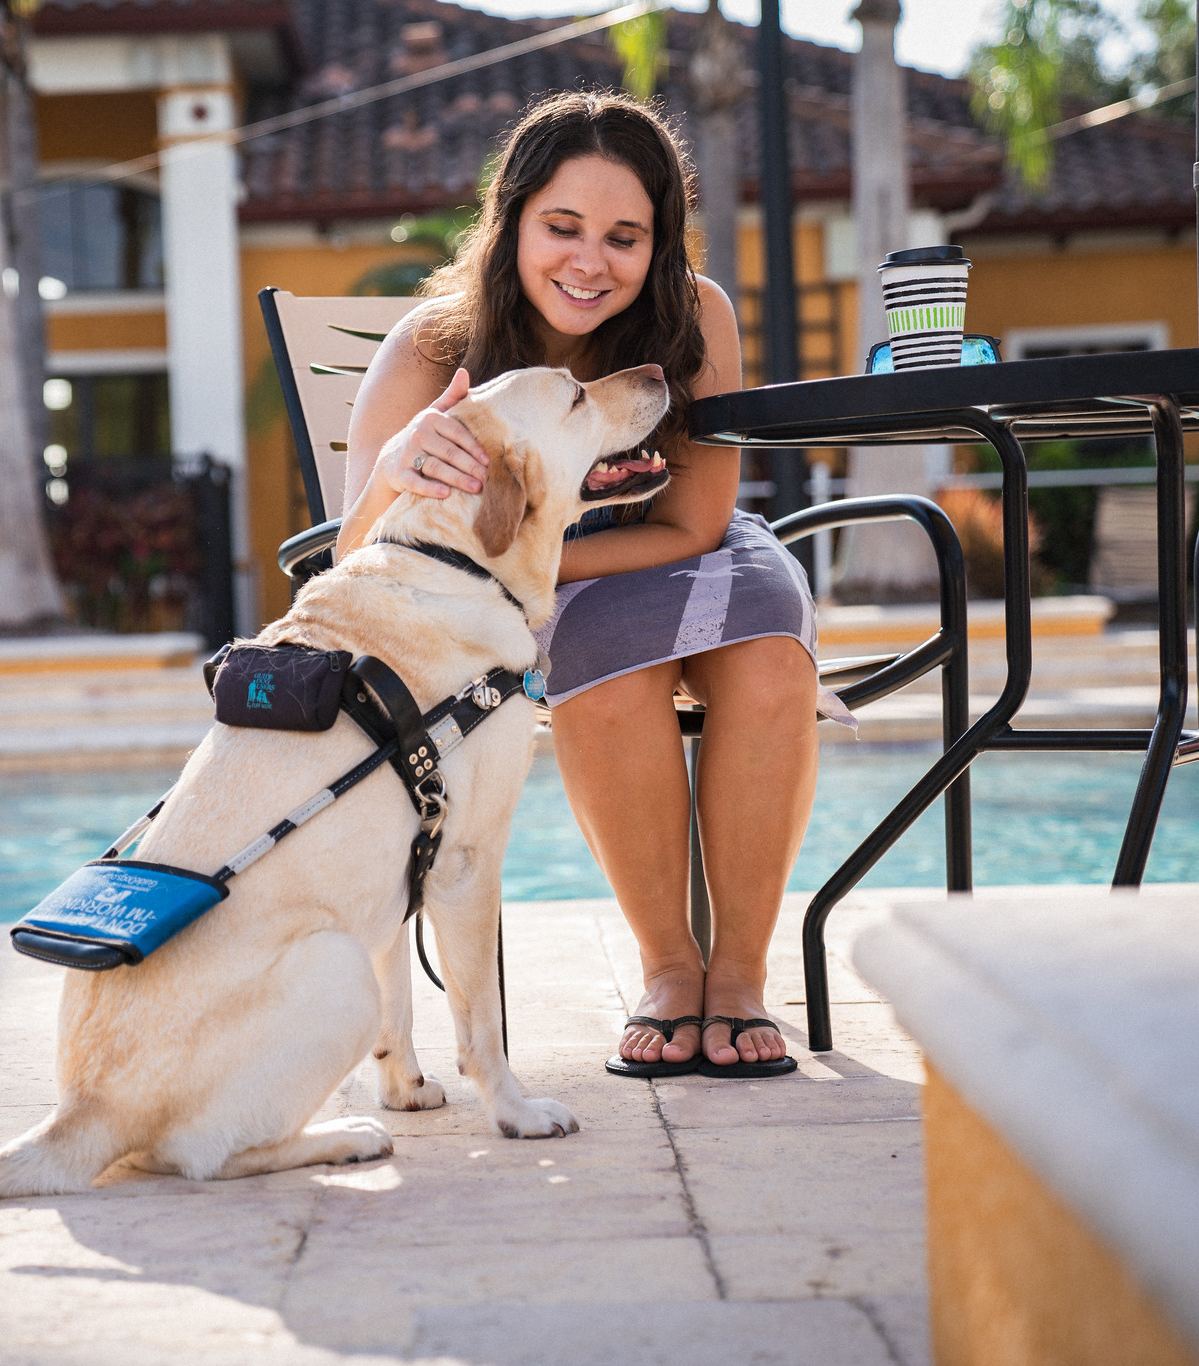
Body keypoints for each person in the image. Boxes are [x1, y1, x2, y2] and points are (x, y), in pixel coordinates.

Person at [336, 91, 847, 1079]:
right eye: (561, 228)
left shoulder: (693, 314)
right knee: (608, 653)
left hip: (682, 548)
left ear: (656, 245)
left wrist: (526, 555)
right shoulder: (430, 351)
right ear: (511, 221)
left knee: (769, 654)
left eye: (623, 237)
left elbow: (694, 523)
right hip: (530, 592)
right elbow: (352, 555)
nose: (587, 262)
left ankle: (736, 979)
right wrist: (401, 459)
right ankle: (668, 973)